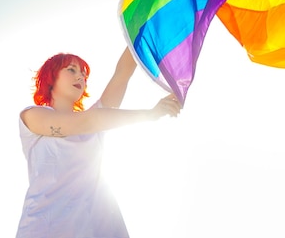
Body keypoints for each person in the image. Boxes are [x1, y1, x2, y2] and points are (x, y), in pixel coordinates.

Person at [16, 47, 181, 238]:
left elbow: (123, 72)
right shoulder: (31, 115)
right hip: (45, 230)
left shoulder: (98, 120)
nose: (80, 77)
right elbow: (88, 121)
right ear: (51, 78)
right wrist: (150, 114)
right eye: (71, 70)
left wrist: (139, 22)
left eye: (84, 75)